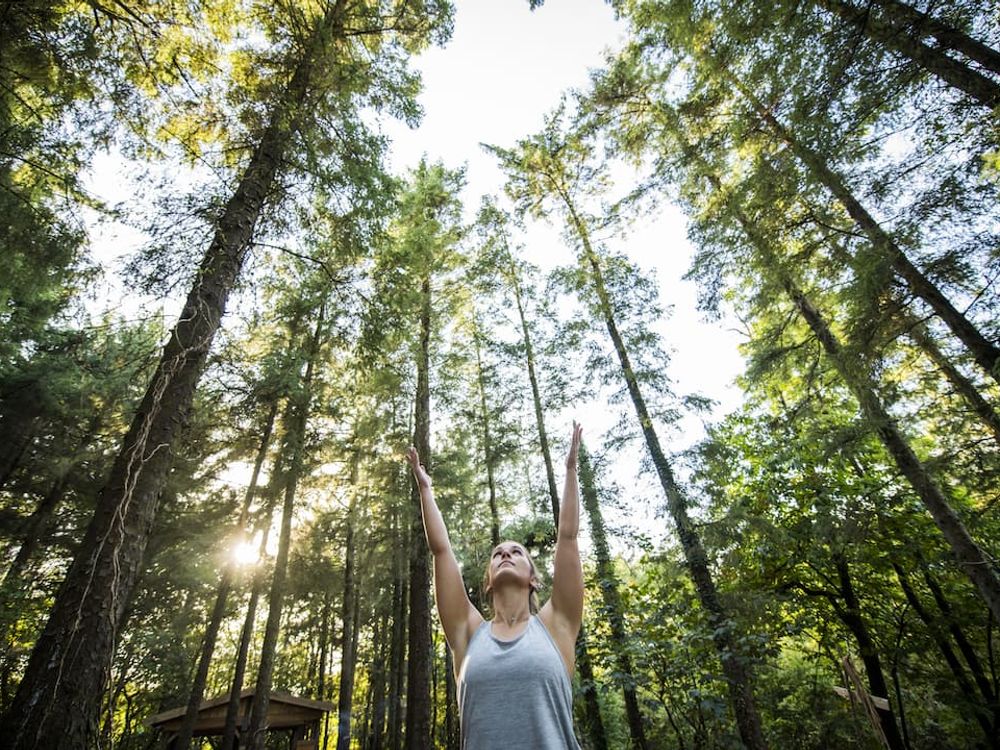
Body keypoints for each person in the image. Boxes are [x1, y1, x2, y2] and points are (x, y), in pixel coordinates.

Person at [405, 422, 584, 749]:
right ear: (487, 582)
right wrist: (425, 489)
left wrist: (571, 470)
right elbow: (441, 551)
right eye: (498, 553)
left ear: (532, 577)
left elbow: (568, 537)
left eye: (517, 552)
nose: (505, 553)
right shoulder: (469, 633)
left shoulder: (555, 625)